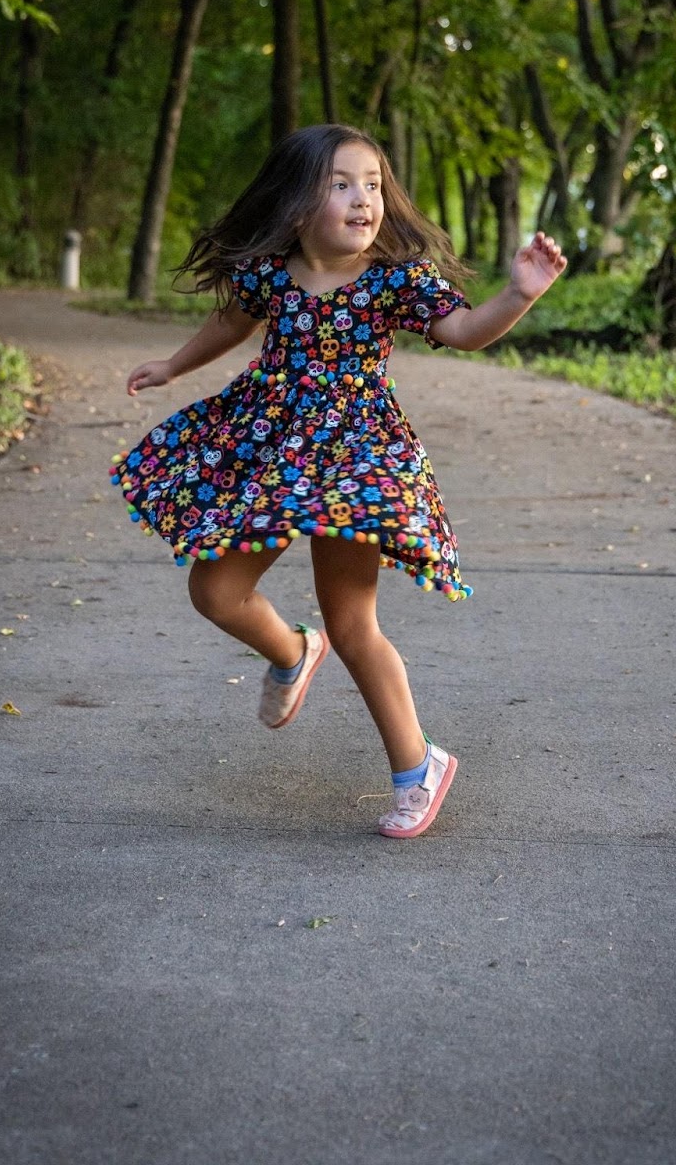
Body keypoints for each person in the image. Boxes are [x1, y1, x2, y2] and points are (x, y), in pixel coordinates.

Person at [111, 124, 566, 838]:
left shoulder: (394, 278)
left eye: (374, 185)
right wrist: (173, 365)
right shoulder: (269, 271)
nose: (364, 200)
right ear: (295, 202)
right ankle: (293, 650)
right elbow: (230, 323)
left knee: (354, 624)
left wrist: (519, 294)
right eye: (342, 185)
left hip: (357, 458)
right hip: (270, 447)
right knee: (214, 591)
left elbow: (463, 330)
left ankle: (418, 767)